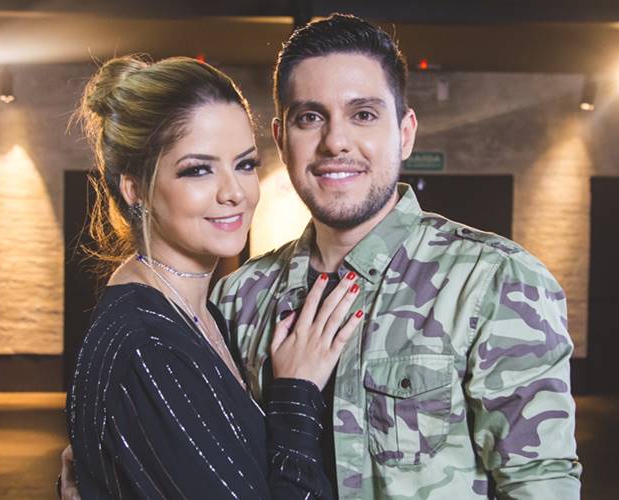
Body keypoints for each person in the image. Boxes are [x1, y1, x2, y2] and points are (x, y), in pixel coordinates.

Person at [63, 13, 582, 500]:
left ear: (405, 133)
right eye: (310, 117)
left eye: (363, 114)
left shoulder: (493, 282)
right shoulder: (240, 297)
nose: (336, 141)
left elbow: (540, 483)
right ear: (281, 139)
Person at [65, 54, 364, 499]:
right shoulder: (148, 346)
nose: (235, 192)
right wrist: (296, 395)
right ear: (135, 189)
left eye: (244, 164)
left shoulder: (198, 312)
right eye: (198, 170)